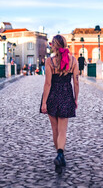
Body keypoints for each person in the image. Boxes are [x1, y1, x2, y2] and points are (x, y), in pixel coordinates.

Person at [40, 34, 79, 174]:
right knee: (63, 130)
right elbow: (76, 82)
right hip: (66, 94)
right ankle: (60, 154)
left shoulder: (49, 61)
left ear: (54, 46)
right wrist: (75, 99)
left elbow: (48, 83)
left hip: (52, 95)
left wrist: (44, 102)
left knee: (55, 129)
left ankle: (59, 155)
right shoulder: (73, 60)